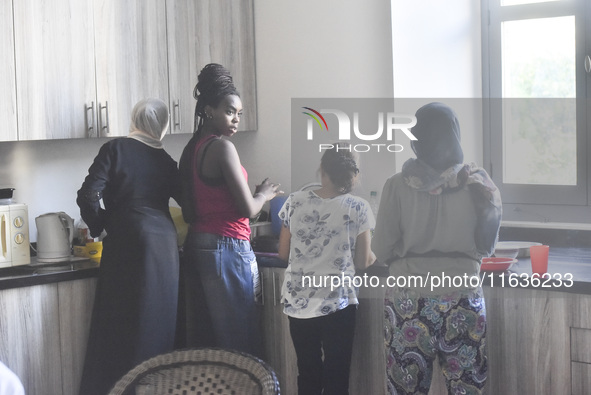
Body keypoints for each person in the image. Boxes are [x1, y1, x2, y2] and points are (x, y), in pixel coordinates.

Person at [371, 102, 502, 395]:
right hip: (463, 298)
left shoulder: (396, 186)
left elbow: (381, 248)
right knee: (467, 389)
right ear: (455, 136)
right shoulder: (480, 185)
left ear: (417, 140)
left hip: (409, 301)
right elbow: (487, 246)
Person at [77, 98, 181, 395]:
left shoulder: (115, 149)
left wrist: (103, 227)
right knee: (156, 328)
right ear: (163, 125)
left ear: (134, 118)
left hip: (128, 242)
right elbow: (190, 203)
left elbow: (88, 195)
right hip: (165, 247)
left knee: (119, 326)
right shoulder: (167, 161)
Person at [179, 63, 281, 357]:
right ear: (209, 110)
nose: (235, 120)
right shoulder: (222, 148)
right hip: (228, 248)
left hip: (198, 246)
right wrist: (264, 193)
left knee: (209, 345)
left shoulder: (192, 148)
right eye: (229, 111)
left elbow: (189, 212)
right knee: (240, 343)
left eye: (238, 114)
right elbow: (248, 209)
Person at [277, 144, 376, 395]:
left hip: (299, 302)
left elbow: (283, 253)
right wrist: (374, 255)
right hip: (337, 303)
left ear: (322, 170)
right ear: (353, 175)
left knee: (307, 372)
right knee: (336, 374)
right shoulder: (358, 207)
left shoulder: (294, 202)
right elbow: (363, 261)